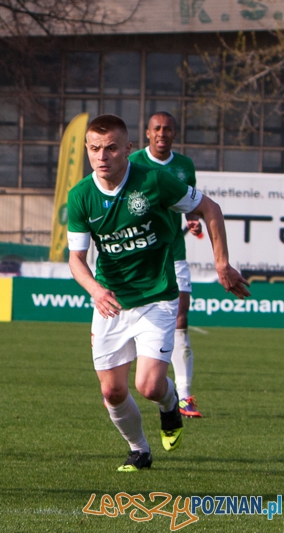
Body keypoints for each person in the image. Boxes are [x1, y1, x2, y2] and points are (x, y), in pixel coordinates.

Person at [66, 114, 249, 472]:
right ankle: (139, 449)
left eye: (111, 148)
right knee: (112, 393)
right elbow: (75, 259)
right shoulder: (81, 196)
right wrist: (95, 290)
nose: (101, 156)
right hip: (113, 303)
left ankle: (170, 405)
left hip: (157, 296)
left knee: (149, 386)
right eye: (94, 149)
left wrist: (222, 264)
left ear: (128, 149)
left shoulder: (153, 181)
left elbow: (209, 209)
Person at [128, 112, 203, 418]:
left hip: (175, 251)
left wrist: (194, 221)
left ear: (174, 134)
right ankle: (142, 380)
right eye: (156, 128)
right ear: (147, 133)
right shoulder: (133, 162)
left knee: (181, 319)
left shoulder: (184, 166)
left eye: (167, 129)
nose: (162, 133)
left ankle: (185, 396)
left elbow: (191, 205)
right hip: (141, 256)